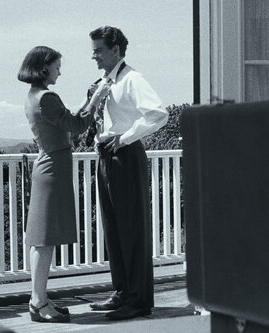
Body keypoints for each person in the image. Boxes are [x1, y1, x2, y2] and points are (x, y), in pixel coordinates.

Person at [17, 46, 110, 323]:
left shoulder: (35, 96)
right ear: (44, 67)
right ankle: (38, 302)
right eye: (57, 66)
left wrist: (87, 100)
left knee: (42, 240)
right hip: (52, 170)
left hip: (48, 167)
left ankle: (39, 299)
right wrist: (97, 99)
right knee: (44, 241)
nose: (60, 71)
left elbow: (68, 119)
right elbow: (78, 126)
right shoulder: (47, 97)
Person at [86, 26, 169, 320]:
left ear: (116, 51)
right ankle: (122, 292)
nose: (93, 55)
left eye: (98, 50)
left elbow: (158, 114)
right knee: (113, 228)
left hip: (125, 155)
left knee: (132, 228)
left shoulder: (133, 79)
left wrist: (124, 138)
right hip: (106, 157)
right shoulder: (104, 82)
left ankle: (139, 299)